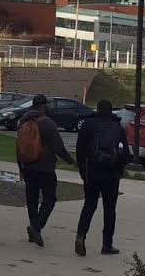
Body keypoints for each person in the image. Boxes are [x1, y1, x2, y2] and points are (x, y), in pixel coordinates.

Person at [17, 94, 77, 248]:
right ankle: (36, 227)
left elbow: (20, 147)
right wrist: (72, 161)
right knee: (50, 198)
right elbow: (59, 148)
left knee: (32, 200)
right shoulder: (48, 123)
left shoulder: (23, 121)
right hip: (45, 168)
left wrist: (21, 168)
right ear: (43, 106)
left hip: (28, 166)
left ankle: (33, 232)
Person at [75, 99, 132, 257]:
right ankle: (107, 244)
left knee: (89, 205)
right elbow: (125, 153)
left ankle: (80, 235)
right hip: (111, 175)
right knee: (110, 209)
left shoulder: (88, 125)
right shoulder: (117, 127)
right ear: (111, 110)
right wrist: (119, 170)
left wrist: (83, 172)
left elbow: (80, 151)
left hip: (92, 173)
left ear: (98, 110)